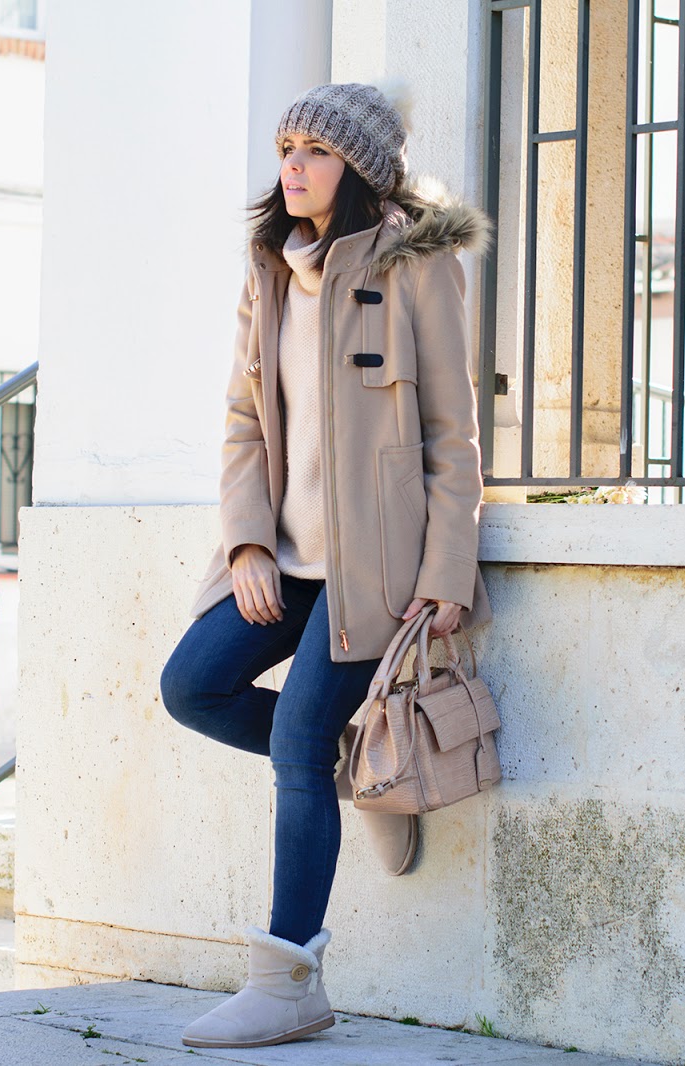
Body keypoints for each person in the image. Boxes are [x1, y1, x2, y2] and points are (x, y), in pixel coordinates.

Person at [158, 81, 491, 1051]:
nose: (291, 165)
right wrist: (247, 541)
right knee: (190, 684)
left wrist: (445, 571)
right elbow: (241, 422)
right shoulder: (268, 268)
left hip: (376, 570)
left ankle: (287, 979)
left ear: (359, 166)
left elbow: (450, 430)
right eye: (285, 147)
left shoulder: (415, 261)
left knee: (299, 737)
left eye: (313, 149)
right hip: (285, 562)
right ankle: (362, 769)